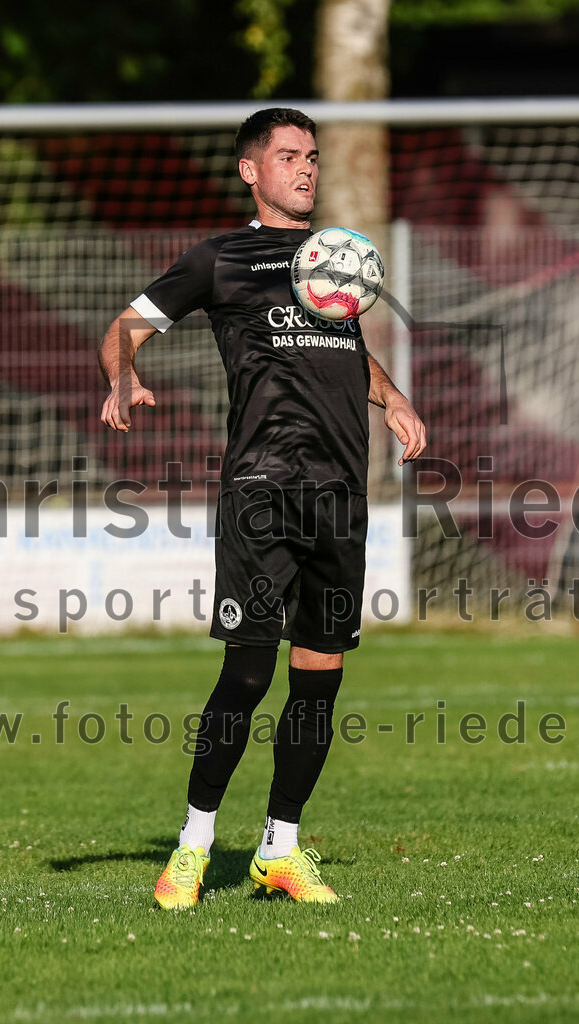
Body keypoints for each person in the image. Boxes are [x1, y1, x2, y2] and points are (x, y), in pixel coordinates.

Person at [98, 107, 426, 908]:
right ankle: (192, 847)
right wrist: (122, 374)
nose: (306, 169)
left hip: (340, 494)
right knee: (247, 673)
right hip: (261, 491)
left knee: (319, 679)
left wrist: (392, 399)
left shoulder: (334, 258)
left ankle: (280, 848)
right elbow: (126, 327)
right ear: (252, 170)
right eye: (288, 156)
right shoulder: (221, 259)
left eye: (312, 156)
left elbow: (343, 348)